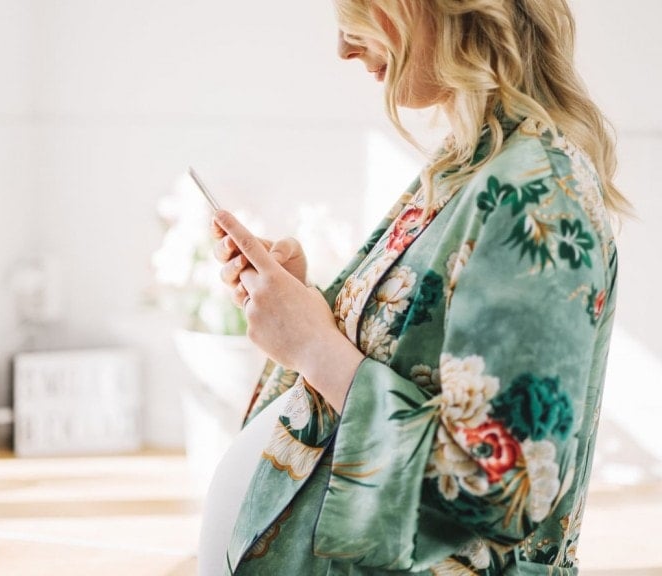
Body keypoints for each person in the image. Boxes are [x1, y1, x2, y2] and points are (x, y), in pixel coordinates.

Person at [204, 0, 630, 574]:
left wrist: (312, 346)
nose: (343, 48)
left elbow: (503, 489)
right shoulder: (473, 162)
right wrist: (298, 305)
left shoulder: (535, 195)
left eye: (355, 13)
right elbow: (405, 360)